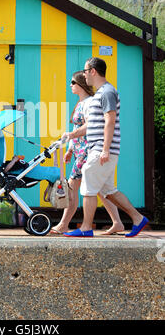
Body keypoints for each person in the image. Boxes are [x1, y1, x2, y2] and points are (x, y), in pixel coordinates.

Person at [63, 57, 148, 238]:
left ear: (93, 71)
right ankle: (138, 218)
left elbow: (110, 120)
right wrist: (71, 135)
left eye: (85, 71)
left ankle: (86, 228)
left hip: (100, 149)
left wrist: (105, 149)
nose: (84, 75)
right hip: (99, 148)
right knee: (108, 191)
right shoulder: (100, 94)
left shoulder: (107, 92)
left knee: (87, 187)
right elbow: (92, 124)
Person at [50, 71, 124, 235]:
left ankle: (63, 224)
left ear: (81, 85)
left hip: (86, 150)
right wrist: (70, 149)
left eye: (73, 82)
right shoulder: (81, 103)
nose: (70, 85)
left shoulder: (89, 103)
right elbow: (77, 128)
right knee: (97, 188)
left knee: (72, 187)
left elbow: (89, 126)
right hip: (79, 150)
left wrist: (71, 138)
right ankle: (117, 222)